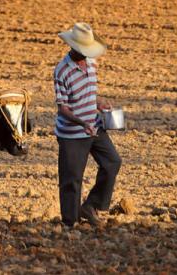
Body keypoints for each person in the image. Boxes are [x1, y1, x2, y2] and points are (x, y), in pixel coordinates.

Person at [53, 22, 122, 227]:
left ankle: (91, 205)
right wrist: (82, 122)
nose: (86, 54)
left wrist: (99, 103)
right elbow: (63, 108)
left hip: (94, 125)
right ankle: (70, 223)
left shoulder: (91, 63)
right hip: (72, 133)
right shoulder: (62, 70)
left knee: (112, 162)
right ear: (72, 46)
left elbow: (89, 93)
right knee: (71, 179)